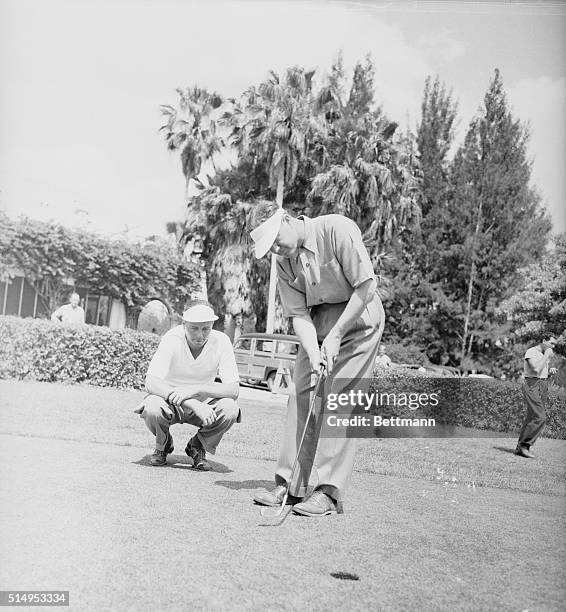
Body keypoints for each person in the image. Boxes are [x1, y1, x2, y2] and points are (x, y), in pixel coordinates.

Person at [249, 203, 384, 517]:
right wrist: (313, 352)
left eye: (276, 240)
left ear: (286, 219)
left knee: (340, 400)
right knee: (301, 394)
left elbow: (366, 286)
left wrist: (336, 335)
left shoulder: (336, 229)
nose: (276, 250)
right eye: (269, 248)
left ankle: (326, 492)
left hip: (360, 320)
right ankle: (290, 485)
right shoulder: (284, 261)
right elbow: (297, 313)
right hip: (317, 324)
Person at [134, 301, 241, 470]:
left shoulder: (222, 341)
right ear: (184, 324)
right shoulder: (171, 338)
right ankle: (163, 445)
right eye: (194, 328)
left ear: (213, 325)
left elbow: (233, 389)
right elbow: (151, 381)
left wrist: (197, 390)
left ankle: (197, 446)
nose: (200, 335)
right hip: (171, 403)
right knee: (152, 406)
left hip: (205, 404)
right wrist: (191, 401)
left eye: (206, 328)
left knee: (230, 409)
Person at [515, 336, 557, 458]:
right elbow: (536, 369)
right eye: (551, 343)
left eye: (554, 345)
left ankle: (520, 448)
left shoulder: (544, 353)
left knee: (531, 418)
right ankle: (525, 446)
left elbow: (541, 371)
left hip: (542, 385)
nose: (553, 347)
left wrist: (549, 372)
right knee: (540, 417)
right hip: (532, 385)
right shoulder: (531, 352)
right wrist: (546, 355)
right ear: (544, 340)